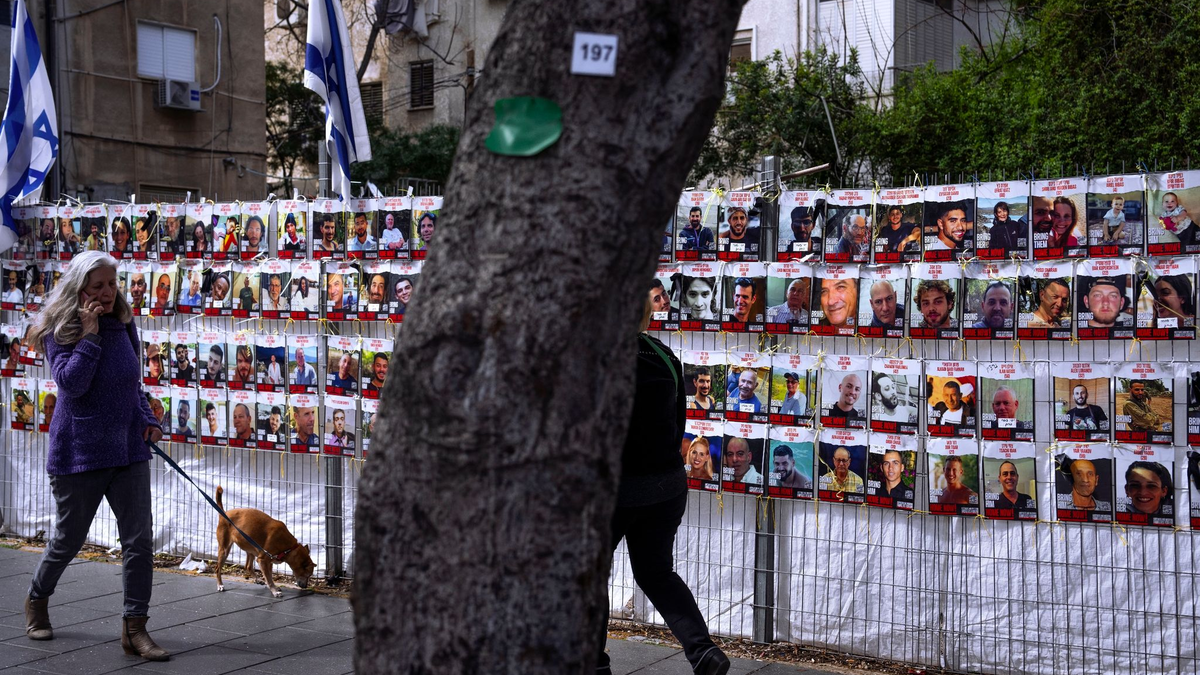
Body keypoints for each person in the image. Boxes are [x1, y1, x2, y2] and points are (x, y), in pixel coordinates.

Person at [19, 251, 169, 660]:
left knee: (139, 541)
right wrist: (88, 335)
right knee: (69, 539)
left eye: (111, 284)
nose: (106, 293)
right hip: (79, 452)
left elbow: (131, 384)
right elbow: (72, 384)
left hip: (128, 449)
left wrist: (146, 420)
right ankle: (37, 599)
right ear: (78, 288)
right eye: (97, 286)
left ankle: (135, 628)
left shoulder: (123, 321)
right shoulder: (59, 327)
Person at [593, 295, 729, 675]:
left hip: (617, 490)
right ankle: (703, 652)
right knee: (656, 572)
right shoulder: (664, 354)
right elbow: (677, 424)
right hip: (666, 485)